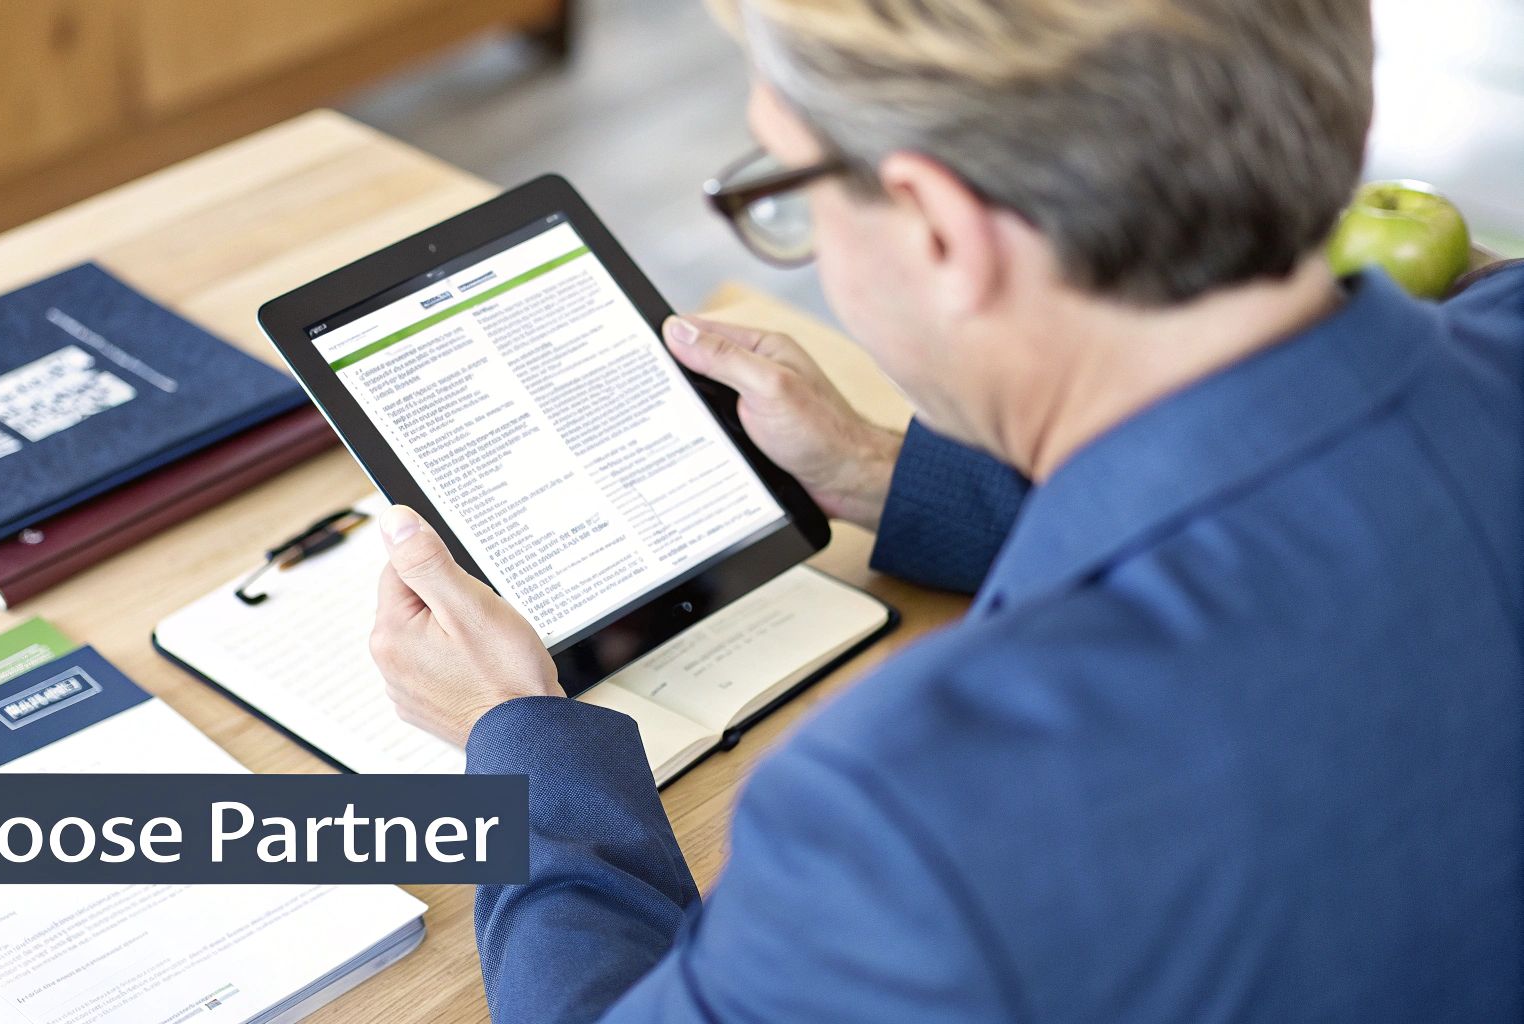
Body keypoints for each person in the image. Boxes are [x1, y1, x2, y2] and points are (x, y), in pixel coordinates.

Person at [366, 0, 1523, 1019]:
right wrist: (877, 469)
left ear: (935, 225)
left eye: (784, 185)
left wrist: (517, 742)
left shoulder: (921, 813)